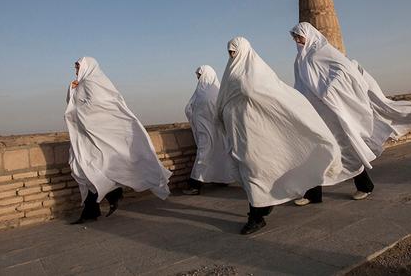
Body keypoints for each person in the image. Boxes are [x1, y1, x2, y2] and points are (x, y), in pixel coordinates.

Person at [216, 37, 344, 234]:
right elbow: (222, 102)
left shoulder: (258, 73)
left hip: (259, 133)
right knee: (252, 171)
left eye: (235, 51)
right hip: (240, 135)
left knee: (256, 172)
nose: (232, 55)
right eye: (230, 52)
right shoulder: (230, 75)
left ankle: (256, 217)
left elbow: (274, 96)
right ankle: (264, 205)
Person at [290, 22, 411, 204]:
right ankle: (313, 194)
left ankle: (365, 185)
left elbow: (344, 69)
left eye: (299, 36)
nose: (297, 40)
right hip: (315, 113)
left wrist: (329, 91)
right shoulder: (300, 59)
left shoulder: (323, 51)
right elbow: (301, 85)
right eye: (295, 38)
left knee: (346, 149)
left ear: (309, 35)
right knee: (316, 150)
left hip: (333, 112)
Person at [65, 56, 172, 224]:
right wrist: (71, 90)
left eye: (78, 66)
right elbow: (72, 106)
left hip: (99, 138)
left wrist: (79, 105)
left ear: (87, 66)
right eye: (76, 66)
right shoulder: (81, 85)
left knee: (91, 171)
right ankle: (110, 197)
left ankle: (93, 209)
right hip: (86, 139)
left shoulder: (95, 83)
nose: (76, 69)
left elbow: (99, 108)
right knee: (87, 171)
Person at [183, 65, 236, 195]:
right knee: (220, 154)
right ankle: (222, 179)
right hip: (219, 132)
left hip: (206, 132)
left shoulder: (202, 94)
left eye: (199, 75)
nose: (198, 78)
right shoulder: (218, 91)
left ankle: (195, 185)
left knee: (203, 156)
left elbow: (190, 110)